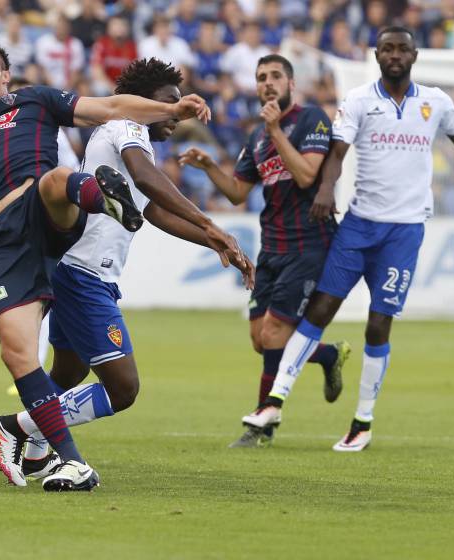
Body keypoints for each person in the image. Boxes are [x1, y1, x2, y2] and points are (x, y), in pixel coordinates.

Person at [0, 39, 220, 492]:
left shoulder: (35, 100)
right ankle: (64, 458)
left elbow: (113, 106)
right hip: (6, 242)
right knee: (17, 353)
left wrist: (172, 112)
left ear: (4, 76)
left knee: (57, 179)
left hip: (46, 211)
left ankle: (104, 197)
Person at [242, 27, 454, 452]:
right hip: (358, 225)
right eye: (387, 49)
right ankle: (274, 402)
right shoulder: (358, 100)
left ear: (414, 54)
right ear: (377, 55)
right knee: (319, 309)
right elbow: (336, 153)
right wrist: (325, 189)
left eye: (402, 49)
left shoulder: (435, 102)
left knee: (378, 324)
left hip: (404, 231)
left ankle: (362, 422)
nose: (395, 55)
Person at [0, 58, 254, 483]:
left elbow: (150, 209)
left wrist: (213, 240)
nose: (172, 115)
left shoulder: (116, 131)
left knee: (68, 372)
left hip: (78, 267)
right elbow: (147, 179)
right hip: (84, 274)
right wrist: (211, 223)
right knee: (123, 389)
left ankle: (38, 453)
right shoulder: (128, 125)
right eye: (167, 103)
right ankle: (15, 427)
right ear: (142, 102)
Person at [179, 54, 351, 448]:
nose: (267, 83)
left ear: (291, 83)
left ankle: (262, 425)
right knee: (261, 338)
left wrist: (275, 130)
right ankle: (326, 356)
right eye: (261, 78)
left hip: (309, 243)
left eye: (275, 76)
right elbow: (238, 192)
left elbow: (309, 175)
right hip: (272, 246)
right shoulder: (257, 137)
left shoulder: (311, 120)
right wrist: (209, 166)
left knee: (275, 333)